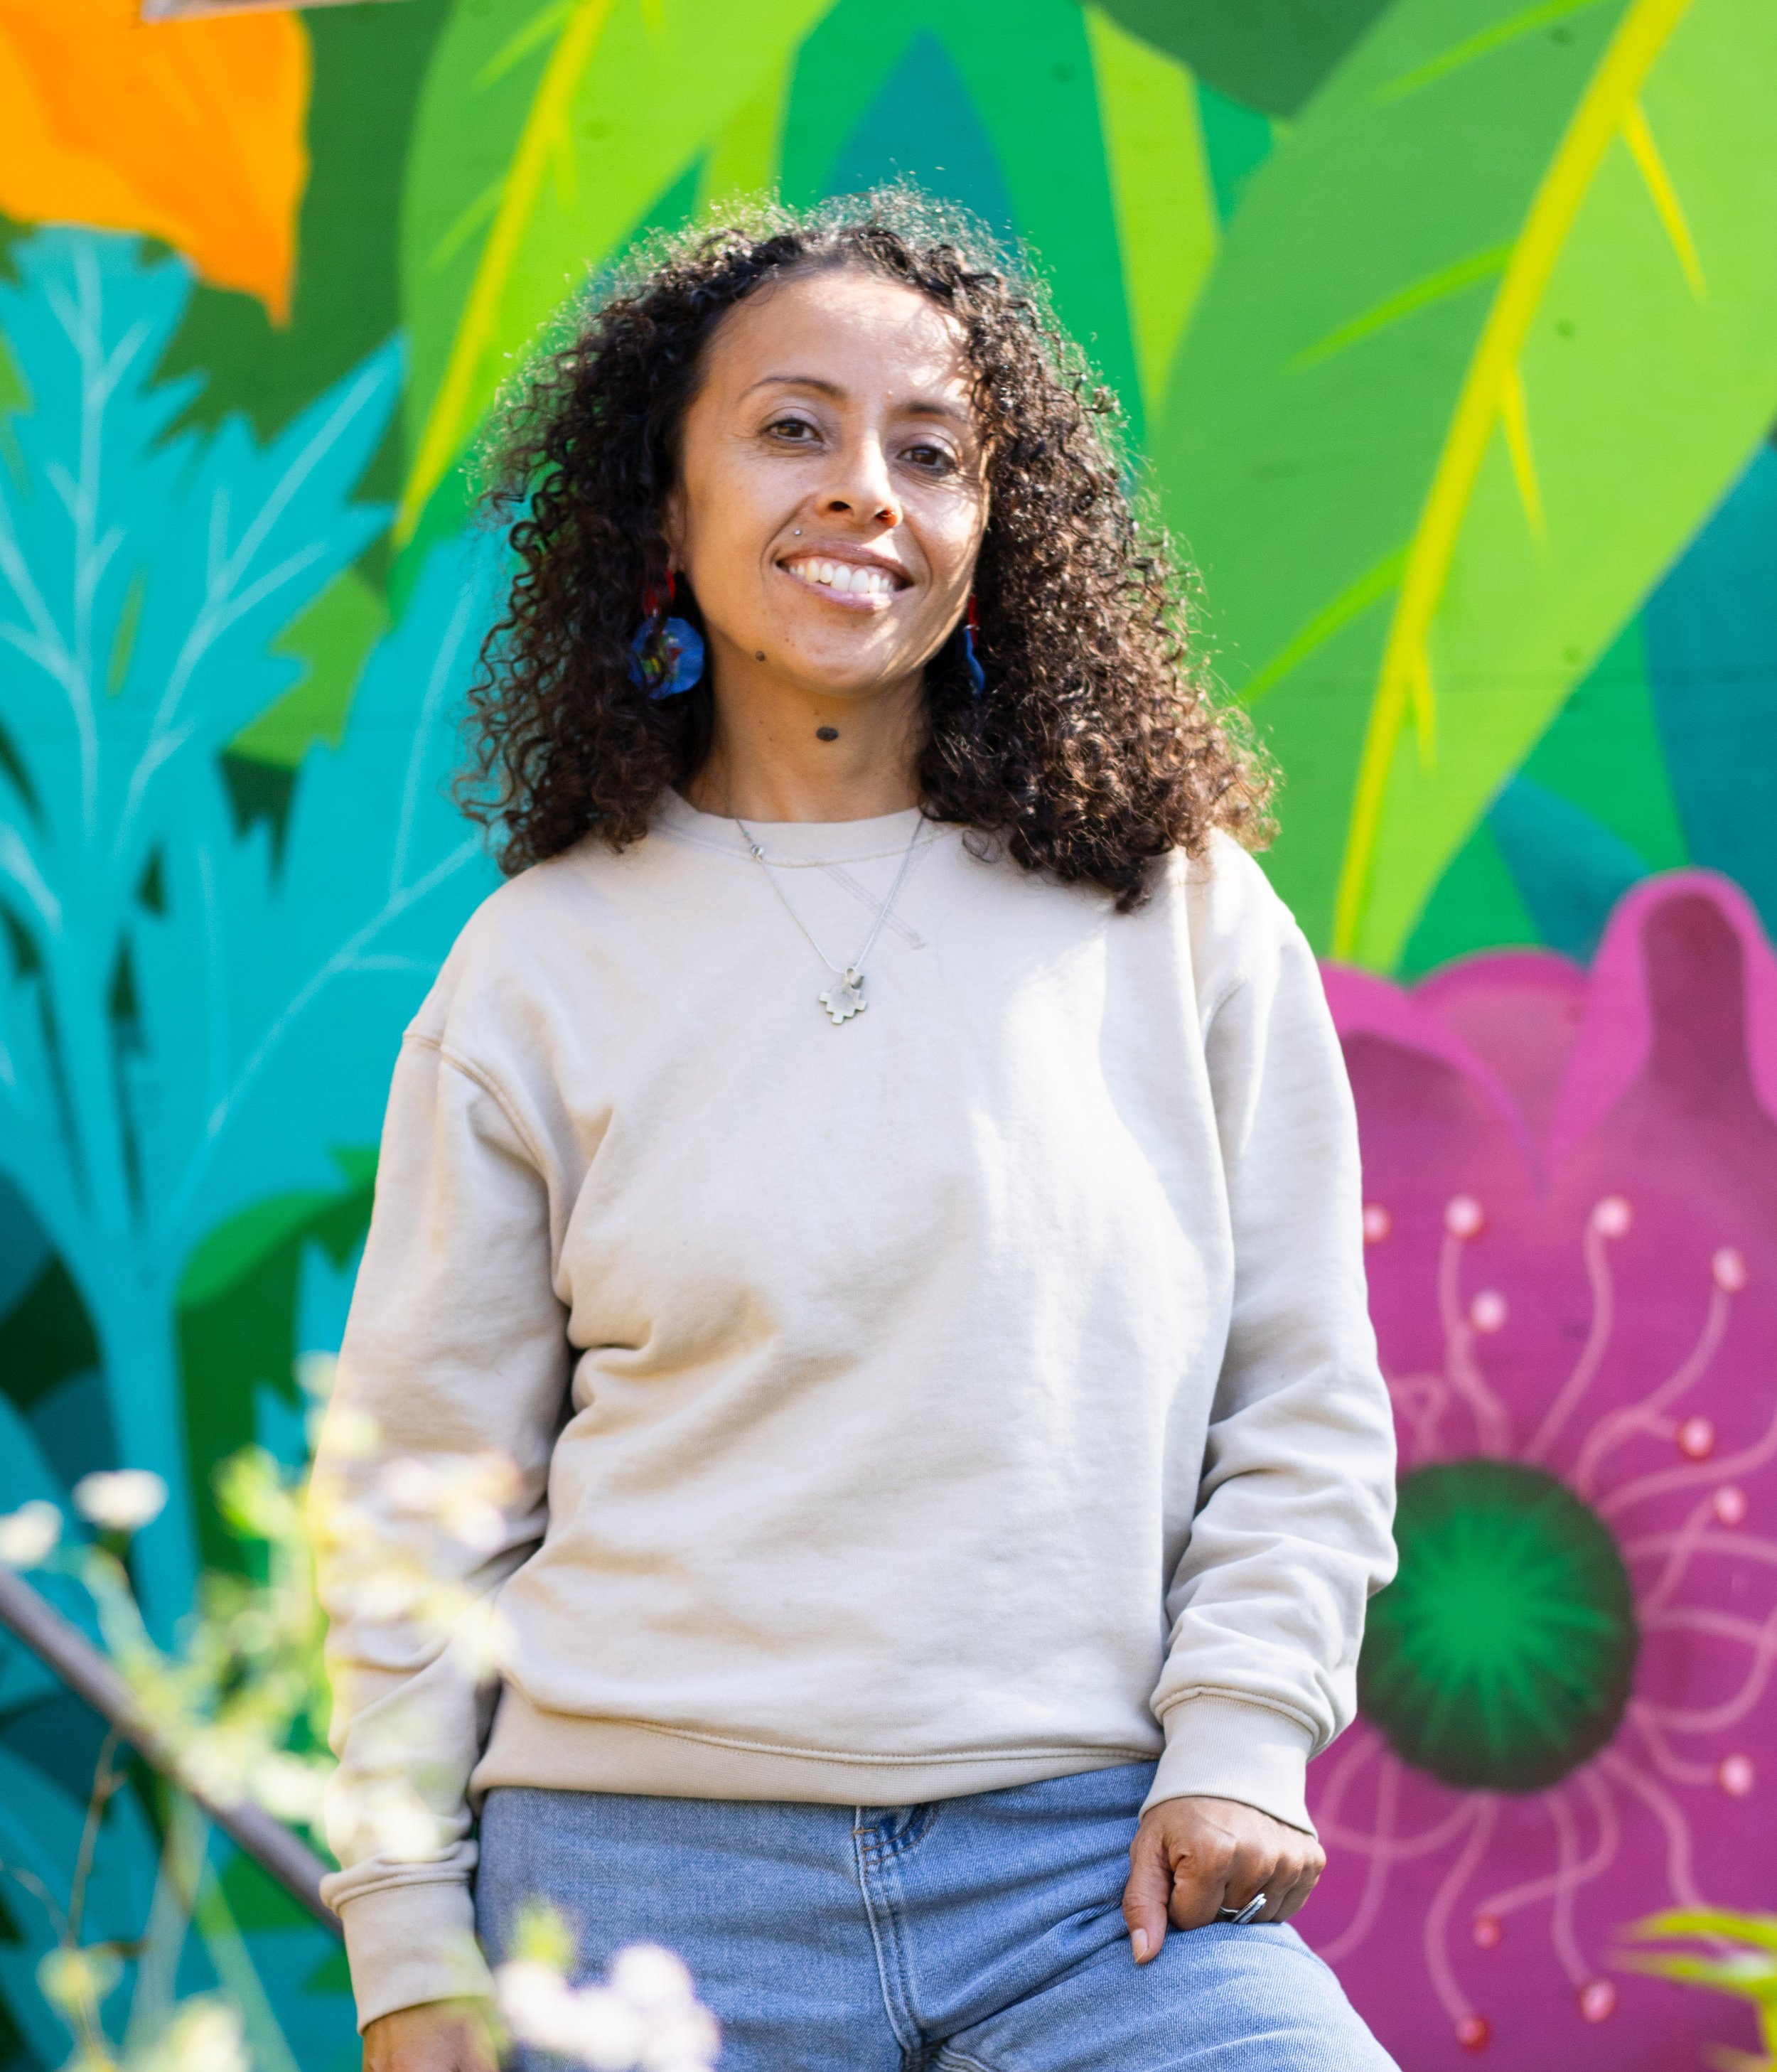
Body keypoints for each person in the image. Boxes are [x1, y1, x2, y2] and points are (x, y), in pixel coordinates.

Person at [314, 191, 1400, 2072]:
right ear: (664, 505)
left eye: (932, 452)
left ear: (993, 539)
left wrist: (1241, 1733)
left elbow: (1297, 1390)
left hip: (1093, 1889)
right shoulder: (537, 967)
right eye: (791, 428)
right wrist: (412, 1939)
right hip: (640, 1902)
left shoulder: (1180, 915)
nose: (865, 493)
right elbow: (419, 1498)